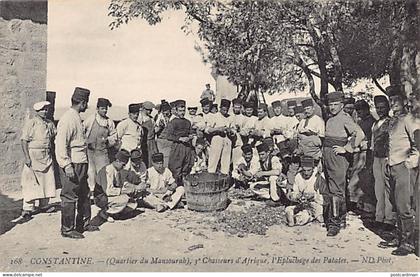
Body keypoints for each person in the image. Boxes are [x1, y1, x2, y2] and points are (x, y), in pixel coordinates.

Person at [56, 87, 98, 239]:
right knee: (69, 196)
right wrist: (66, 165)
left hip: (81, 163)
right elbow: (60, 144)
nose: (87, 106)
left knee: (83, 194)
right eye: (86, 103)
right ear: (82, 103)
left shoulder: (76, 117)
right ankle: (67, 229)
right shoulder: (68, 119)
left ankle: (83, 224)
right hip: (72, 164)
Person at [323, 91, 365, 237]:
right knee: (333, 189)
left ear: (342, 105)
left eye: (336, 104)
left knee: (336, 190)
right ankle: (340, 219)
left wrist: (347, 148)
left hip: (338, 158)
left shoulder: (345, 118)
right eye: (330, 105)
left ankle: (334, 224)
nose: (333, 107)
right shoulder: (330, 119)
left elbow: (359, 134)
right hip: (327, 156)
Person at [384, 85, 419, 256]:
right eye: (391, 100)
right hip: (392, 166)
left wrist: (411, 161)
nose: (392, 103)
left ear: (404, 101)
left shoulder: (409, 119)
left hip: (403, 167)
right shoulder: (394, 120)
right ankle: (399, 238)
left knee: (404, 206)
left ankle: (408, 243)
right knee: (396, 204)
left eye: (396, 100)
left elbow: (417, 143)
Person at [20, 101, 57, 219]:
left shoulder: (50, 124)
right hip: (34, 155)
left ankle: (44, 205)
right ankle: (28, 207)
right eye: (42, 110)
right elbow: (24, 140)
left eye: (46, 109)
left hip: (46, 155)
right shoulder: (31, 123)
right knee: (31, 181)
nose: (45, 112)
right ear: (37, 111)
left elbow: (54, 137)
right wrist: (27, 157)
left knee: (47, 180)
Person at [94, 150, 145, 223]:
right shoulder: (108, 170)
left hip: (111, 196)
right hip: (101, 198)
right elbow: (108, 191)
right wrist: (124, 191)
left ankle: (115, 213)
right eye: (123, 164)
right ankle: (105, 213)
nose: (123, 167)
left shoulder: (117, 170)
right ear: (117, 161)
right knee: (124, 199)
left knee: (132, 203)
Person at [348, 99, 376, 214]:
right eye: (357, 111)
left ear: (367, 110)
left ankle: (366, 205)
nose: (359, 113)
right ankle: (356, 203)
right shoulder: (359, 122)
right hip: (358, 152)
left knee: (363, 179)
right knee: (356, 176)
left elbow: (372, 139)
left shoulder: (372, 122)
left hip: (365, 153)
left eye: (361, 110)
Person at [371, 95, 395, 230]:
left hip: (387, 158)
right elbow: (373, 143)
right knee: (378, 188)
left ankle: (389, 219)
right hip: (376, 158)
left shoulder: (391, 122)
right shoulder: (375, 123)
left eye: (382, 107)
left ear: (388, 107)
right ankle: (379, 217)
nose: (380, 110)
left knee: (388, 189)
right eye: (377, 108)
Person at [84, 98, 117, 193]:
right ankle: (91, 193)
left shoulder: (109, 122)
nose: (104, 110)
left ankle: (102, 193)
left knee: (103, 173)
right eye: (102, 108)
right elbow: (82, 130)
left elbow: (114, 136)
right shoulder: (90, 119)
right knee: (91, 173)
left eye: (106, 108)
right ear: (97, 108)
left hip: (102, 153)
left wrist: (109, 141)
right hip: (90, 153)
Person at [285, 156, 325, 227]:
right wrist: (297, 196)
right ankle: (293, 214)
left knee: (314, 215)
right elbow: (294, 192)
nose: (306, 173)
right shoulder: (298, 176)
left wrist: (314, 196)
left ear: (313, 169)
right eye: (304, 170)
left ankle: (297, 219)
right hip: (302, 203)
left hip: (316, 203)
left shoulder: (318, 177)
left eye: (309, 170)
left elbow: (324, 197)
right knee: (290, 208)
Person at [166, 100, 195, 184]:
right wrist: (180, 139)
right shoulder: (173, 122)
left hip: (187, 147)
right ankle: (175, 186)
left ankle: (184, 186)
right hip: (177, 147)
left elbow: (191, 132)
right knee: (176, 167)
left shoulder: (187, 122)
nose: (182, 113)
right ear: (176, 111)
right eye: (180, 111)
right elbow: (168, 136)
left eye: (183, 111)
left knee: (186, 166)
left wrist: (190, 136)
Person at [206, 99, 235, 175]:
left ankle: (224, 176)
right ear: (220, 107)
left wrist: (231, 131)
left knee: (226, 160)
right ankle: (211, 175)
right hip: (217, 138)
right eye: (224, 109)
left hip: (227, 139)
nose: (225, 111)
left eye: (227, 109)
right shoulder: (214, 116)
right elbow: (207, 130)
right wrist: (218, 129)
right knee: (214, 159)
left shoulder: (230, 117)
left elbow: (234, 130)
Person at [296, 99, 325, 163]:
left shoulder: (318, 120)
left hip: (313, 151)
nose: (306, 111)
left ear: (313, 108)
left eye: (308, 109)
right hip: (302, 150)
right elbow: (297, 133)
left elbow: (321, 137)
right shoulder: (303, 121)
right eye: (305, 109)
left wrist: (309, 134)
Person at [139, 101, 158, 167]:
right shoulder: (140, 118)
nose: (150, 111)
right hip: (144, 142)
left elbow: (155, 130)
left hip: (151, 142)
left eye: (151, 110)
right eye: (148, 109)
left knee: (152, 159)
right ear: (143, 109)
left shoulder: (151, 119)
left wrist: (159, 127)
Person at [155, 101, 173, 168]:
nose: (165, 112)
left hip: (170, 140)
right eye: (163, 111)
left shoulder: (173, 117)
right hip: (161, 140)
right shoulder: (159, 117)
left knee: (170, 156)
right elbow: (155, 130)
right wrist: (160, 127)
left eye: (167, 110)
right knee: (163, 157)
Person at [231, 98, 246, 165]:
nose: (236, 109)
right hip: (229, 141)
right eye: (235, 107)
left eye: (238, 107)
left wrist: (239, 129)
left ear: (240, 108)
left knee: (237, 160)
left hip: (238, 142)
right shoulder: (229, 116)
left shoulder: (243, 118)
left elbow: (245, 131)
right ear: (233, 107)